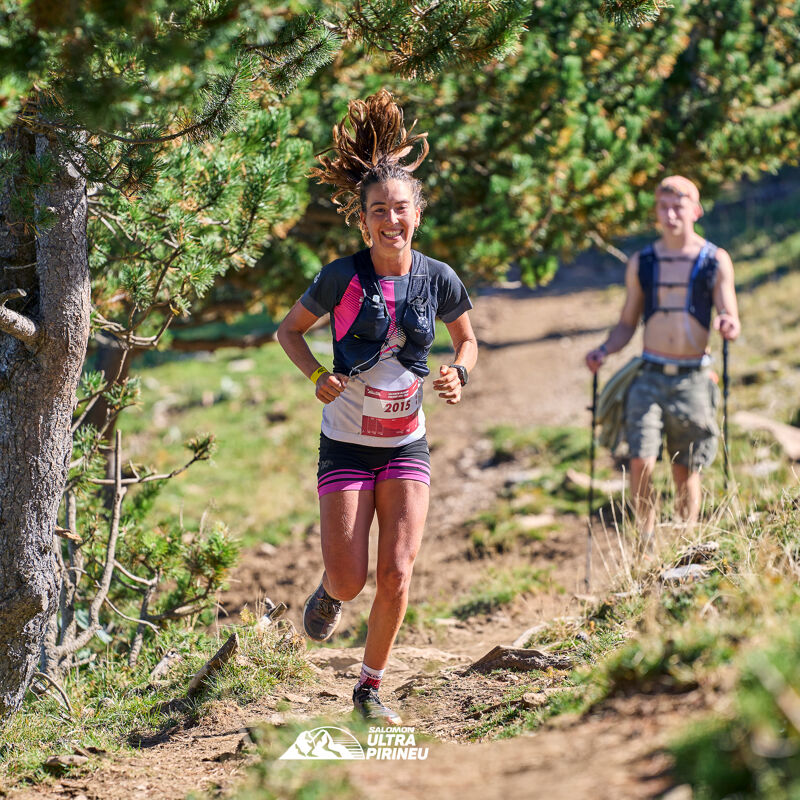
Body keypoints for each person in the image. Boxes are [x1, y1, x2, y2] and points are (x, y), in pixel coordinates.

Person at [277, 90, 477, 725]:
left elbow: (468, 340)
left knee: (396, 573)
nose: (391, 220)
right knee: (351, 578)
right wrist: (316, 376)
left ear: (417, 212)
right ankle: (329, 593)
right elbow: (288, 330)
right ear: (361, 220)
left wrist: (458, 375)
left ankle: (368, 690)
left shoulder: (438, 277)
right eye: (378, 211)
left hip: (406, 443)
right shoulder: (340, 276)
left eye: (401, 208)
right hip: (345, 442)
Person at [585, 175, 740, 547]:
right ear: (656, 212)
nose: (670, 214)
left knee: (685, 469)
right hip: (649, 374)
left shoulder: (715, 260)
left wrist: (727, 323)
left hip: (694, 377)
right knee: (640, 460)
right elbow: (627, 323)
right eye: (663, 206)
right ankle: (648, 541)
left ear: (696, 210)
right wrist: (604, 350)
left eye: (678, 206)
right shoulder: (643, 262)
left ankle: (687, 543)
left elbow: (729, 314)